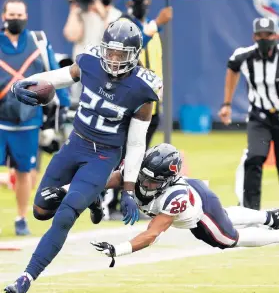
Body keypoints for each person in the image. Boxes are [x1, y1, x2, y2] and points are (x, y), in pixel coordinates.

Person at [4, 19, 162, 293]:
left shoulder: (142, 89)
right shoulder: (90, 61)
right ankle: (93, 197)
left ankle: (25, 278)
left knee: (64, 215)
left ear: (134, 55)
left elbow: (137, 142)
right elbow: (63, 75)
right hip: (75, 144)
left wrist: (127, 188)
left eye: (120, 54)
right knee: (40, 210)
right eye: (110, 52)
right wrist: (28, 83)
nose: (113, 60)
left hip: (103, 156)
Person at [31, 143, 279, 268]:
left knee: (226, 239)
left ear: (167, 180)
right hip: (200, 195)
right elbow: (97, 182)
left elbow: (151, 234)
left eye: (153, 181)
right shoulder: (136, 171)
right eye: (144, 177)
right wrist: (64, 191)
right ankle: (268, 217)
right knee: (224, 217)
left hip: (199, 210)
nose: (146, 183)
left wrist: (119, 249)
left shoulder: (173, 197)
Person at [0, 0, 70, 235]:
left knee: (25, 171)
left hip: (28, 119)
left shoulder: (38, 41)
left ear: (26, 17)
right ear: (3, 16)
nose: (15, 19)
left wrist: (60, 112)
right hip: (0, 118)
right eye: (12, 15)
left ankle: (21, 217)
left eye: (20, 16)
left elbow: (53, 73)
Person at [105, 0, 172, 218]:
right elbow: (139, 40)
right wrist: (157, 24)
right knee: (123, 152)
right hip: (131, 103)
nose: (146, 3)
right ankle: (109, 201)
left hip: (151, 103)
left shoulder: (152, 27)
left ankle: (129, 198)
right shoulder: (126, 25)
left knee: (138, 153)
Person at [218, 17, 279, 210]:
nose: (264, 39)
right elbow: (232, 69)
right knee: (254, 157)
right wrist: (227, 103)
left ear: (275, 35)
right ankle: (251, 211)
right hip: (259, 116)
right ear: (254, 36)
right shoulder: (244, 56)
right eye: (260, 35)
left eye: (267, 35)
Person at [63, 0, 122, 106]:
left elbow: (114, 37)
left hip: (104, 71)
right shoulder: (80, 13)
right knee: (78, 105)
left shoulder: (115, 14)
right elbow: (71, 35)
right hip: (81, 68)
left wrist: (101, 12)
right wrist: (74, 11)